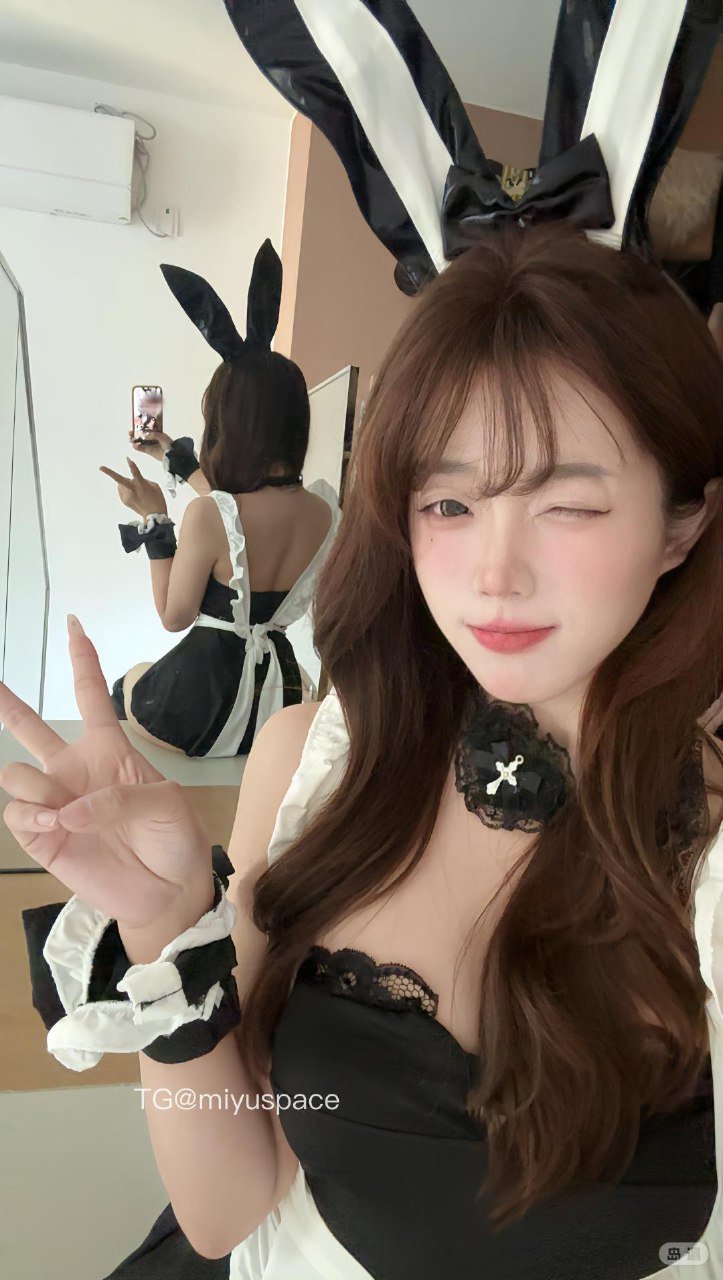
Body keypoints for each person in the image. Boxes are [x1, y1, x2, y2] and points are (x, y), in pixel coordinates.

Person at [6, 3, 723, 1279]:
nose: (493, 571)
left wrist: (156, 518)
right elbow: (229, 1209)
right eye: (448, 504)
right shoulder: (316, 758)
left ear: (682, 523)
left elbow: (172, 612)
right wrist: (171, 925)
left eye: (567, 502)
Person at [100, 239, 341, 757]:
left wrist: (155, 521)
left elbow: (174, 616)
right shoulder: (326, 512)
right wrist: (174, 457)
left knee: (126, 684)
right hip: (280, 701)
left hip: (202, 704)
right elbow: (238, 525)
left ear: (226, 424)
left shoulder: (207, 515)